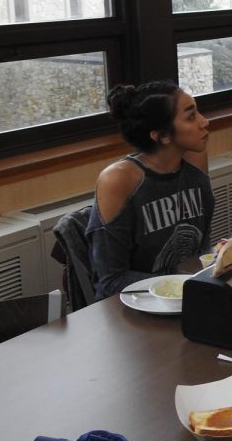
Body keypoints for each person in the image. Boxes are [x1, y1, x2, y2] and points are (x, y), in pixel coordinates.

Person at [87, 80, 215, 299]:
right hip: (130, 308)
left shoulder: (194, 162)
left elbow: (200, 252)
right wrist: (184, 283)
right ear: (161, 135)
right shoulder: (118, 178)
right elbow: (110, 280)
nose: (205, 122)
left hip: (185, 296)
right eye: (191, 116)